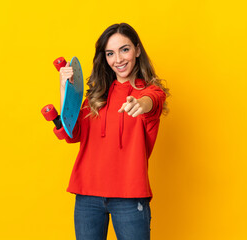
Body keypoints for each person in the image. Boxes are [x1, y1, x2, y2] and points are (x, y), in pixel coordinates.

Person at [53, 23, 169, 240]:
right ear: (104, 58)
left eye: (124, 49)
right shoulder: (96, 97)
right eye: (110, 53)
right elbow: (71, 133)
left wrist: (142, 104)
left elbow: (151, 101)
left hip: (129, 195)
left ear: (137, 50)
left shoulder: (150, 93)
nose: (118, 59)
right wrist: (64, 89)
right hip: (87, 196)